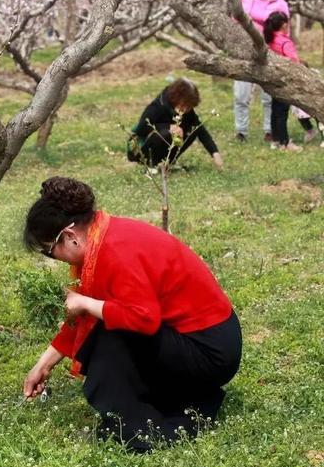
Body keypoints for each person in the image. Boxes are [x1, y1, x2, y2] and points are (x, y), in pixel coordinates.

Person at [23, 177, 242, 452]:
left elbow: (143, 319)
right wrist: (44, 364)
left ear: (69, 237)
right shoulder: (102, 236)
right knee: (105, 320)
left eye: (49, 251)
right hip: (198, 340)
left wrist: (86, 304)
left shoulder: (114, 250)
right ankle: (169, 403)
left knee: (108, 338)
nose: (53, 259)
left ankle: (139, 432)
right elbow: (86, 314)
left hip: (209, 351)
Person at [234, 0, 289, 142]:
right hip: (245, 49)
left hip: (268, 52)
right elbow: (238, 16)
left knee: (268, 96)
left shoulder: (279, 2)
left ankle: (269, 130)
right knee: (241, 94)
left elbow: (276, 25)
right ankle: (241, 131)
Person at [127, 78, 224, 170]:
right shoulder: (158, 106)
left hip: (165, 147)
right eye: (183, 105)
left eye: (189, 107)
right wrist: (168, 127)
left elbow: (200, 129)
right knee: (167, 134)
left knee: (193, 130)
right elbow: (141, 129)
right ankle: (150, 163)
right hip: (142, 149)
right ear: (175, 98)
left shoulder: (186, 110)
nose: (185, 110)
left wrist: (215, 153)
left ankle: (167, 161)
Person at [263, 11, 303, 152]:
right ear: (284, 25)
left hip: (272, 80)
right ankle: (285, 143)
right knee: (282, 113)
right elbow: (294, 63)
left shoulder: (269, 40)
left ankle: (275, 140)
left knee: (275, 111)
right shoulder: (285, 42)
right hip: (284, 81)